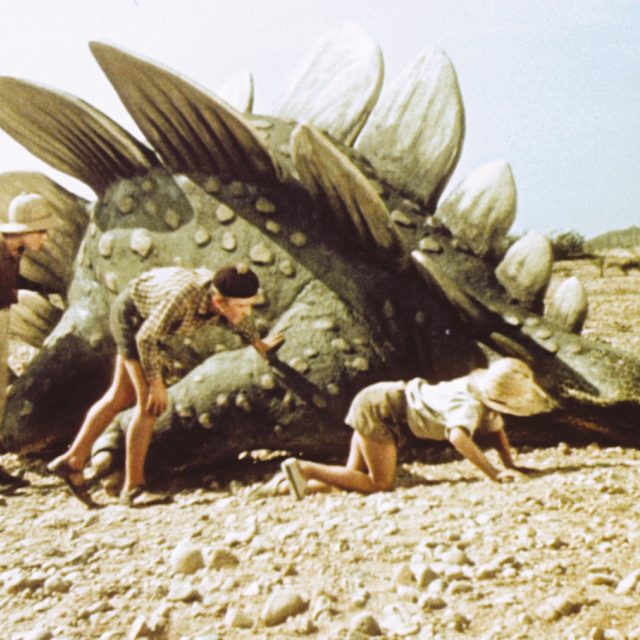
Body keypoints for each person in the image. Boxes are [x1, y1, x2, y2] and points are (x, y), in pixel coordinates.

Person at [48, 264, 284, 507]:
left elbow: (240, 320)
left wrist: (259, 344)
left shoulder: (223, 301)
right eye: (242, 306)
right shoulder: (183, 299)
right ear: (218, 301)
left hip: (146, 322)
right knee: (150, 406)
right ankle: (133, 488)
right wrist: (156, 384)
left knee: (120, 396)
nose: (247, 312)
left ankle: (73, 460)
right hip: (134, 322)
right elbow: (146, 338)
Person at [281, 357, 555, 499]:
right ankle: (305, 469)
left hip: (381, 398)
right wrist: (493, 473)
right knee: (379, 484)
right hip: (383, 409)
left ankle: (282, 485)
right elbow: (458, 437)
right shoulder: (469, 405)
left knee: (353, 480)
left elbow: (496, 430)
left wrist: (510, 464)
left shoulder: (477, 388)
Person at [0, 193, 55, 492]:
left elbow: (13, 280)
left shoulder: (14, 250)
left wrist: (41, 287)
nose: (45, 238)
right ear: (26, 230)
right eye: (41, 231)